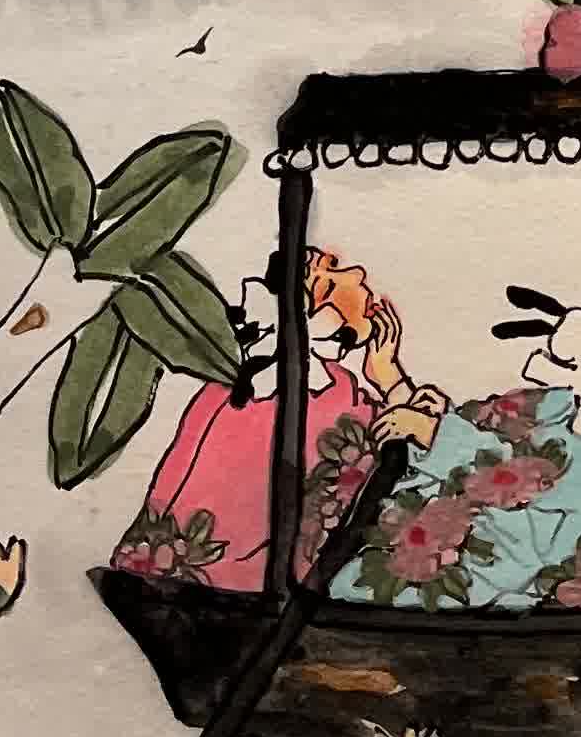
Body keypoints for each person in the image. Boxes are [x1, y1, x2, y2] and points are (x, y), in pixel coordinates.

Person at [111, 251, 449, 594]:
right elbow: (400, 456)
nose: (358, 273)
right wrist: (393, 384)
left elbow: (398, 437)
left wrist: (390, 379)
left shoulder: (322, 383)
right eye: (330, 281)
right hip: (238, 591)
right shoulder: (298, 394)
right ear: (316, 317)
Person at [329, 288, 581, 611]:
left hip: (500, 577)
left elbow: (524, 479)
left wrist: (433, 430)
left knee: (350, 587)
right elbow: (484, 432)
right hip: (455, 539)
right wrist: (395, 382)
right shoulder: (564, 400)